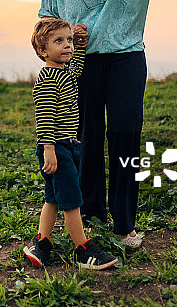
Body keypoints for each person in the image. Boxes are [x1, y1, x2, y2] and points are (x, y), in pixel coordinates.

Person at [38, 0, 177, 248]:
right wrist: (68, 32)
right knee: (85, 140)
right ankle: (90, 217)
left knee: (124, 139)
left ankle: (124, 225)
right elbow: (46, 20)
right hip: (80, 66)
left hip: (126, 59)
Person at [23, 17, 118, 270]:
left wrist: (81, 45)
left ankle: (42, 242)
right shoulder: (47, 79)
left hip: (67, 145)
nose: (67, 45)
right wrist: (49, 150)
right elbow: (44, 117)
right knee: (73, 200)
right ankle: (83, 249)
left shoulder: (64, 72)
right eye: (59, 41)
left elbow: (77, 69)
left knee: (53, 197)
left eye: (69, 41)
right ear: (42, 51)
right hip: (56, 147)